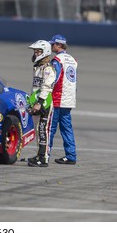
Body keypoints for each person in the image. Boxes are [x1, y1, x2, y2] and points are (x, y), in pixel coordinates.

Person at [48, 34, 78, 165]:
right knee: (67, 128)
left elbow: (54, 79)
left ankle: (44, 154)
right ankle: (71, 155)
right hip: (69, 99)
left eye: (53, 44)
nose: (51, 46)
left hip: (58, 99)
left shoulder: (57, 60)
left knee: (50, 128)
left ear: (59, 45)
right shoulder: (72, 59)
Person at [27, 40, 56, 167]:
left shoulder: (48, 68)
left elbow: (47, 87)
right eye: (35, 51)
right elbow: (36, 88)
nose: (35, 53)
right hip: (37, 102)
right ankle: (40, 154)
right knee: (38, 129)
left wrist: (39, 103)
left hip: (45, 103)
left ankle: (43, 158)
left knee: (43, 130)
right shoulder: (38, 67)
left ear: (45, 52)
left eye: (37, 51)